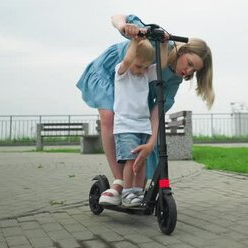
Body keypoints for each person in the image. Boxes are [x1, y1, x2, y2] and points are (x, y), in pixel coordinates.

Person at [76, 14, 214, 206]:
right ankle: (119, 183)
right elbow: (117, 17)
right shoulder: (155, 39)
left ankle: (134, 187)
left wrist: (151, 140)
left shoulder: (174, 79)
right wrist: (125, 26)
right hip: (114, 72)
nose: (189, 71)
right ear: (183, 50)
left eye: (194, 71)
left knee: (142, 136)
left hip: (136, 92)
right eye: (189, 63)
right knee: (109, 117)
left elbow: (158, 108)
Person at [110, 35, 167, 206]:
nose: (142, 70)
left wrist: (164, 45)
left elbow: (161, 66)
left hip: (143, 125)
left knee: (141, 162)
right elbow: (128, 61)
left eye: (146, 67)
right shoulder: (122, 72)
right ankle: (127, 193)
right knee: (130, 160)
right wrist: (135, 40)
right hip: (125, 126)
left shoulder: (144, 74)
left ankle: (138, 192)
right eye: (139, 65)